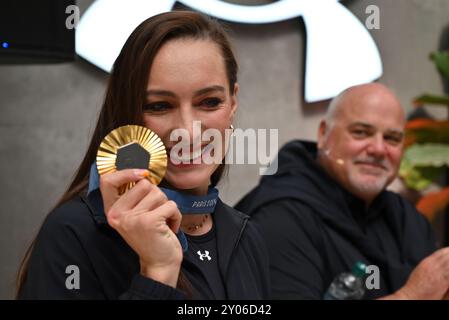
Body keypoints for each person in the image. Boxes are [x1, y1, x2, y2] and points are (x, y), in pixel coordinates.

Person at [17, 11, 270, 299]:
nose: (188, 131)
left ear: (233, 102)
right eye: (159, 106)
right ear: (127, 112)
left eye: (209, 102)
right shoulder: (73, 233)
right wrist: (158, 272)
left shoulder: (247, 237)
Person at [236, 83, 449, 299]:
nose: (377, 149)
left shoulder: (406, 217)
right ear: (323, 134)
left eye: (391, 138)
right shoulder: (279, 217)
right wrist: (410, 296)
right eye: (361, 133)